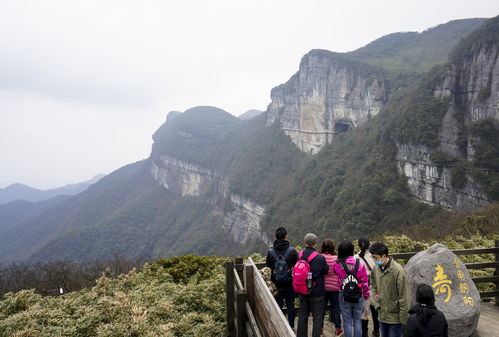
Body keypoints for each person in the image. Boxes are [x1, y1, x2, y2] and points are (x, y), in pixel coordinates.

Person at [369, 242, 411, 337]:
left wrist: (404, 320)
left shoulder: (398, 271)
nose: (374, 260)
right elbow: (373, 286)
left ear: (384, 256)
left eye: (376, 257)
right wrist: (376, 301)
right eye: (373, 257)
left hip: (395, 318)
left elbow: (404, 296)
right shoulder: (376, 268)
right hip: (381, 314)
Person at [333, 240, 370, 337]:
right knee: (357, 321)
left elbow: (336, 273)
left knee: (347, 322)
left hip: (344, 295)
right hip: (359, 294)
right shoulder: (360, 263)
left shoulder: (337, 265)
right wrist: (366, 296)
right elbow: (365, 281)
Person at [297, 233, 329, 337]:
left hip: (302, 290)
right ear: (315, 244)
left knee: (302, 316)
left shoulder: (299, 255)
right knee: (317, 317)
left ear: (304, 242)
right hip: (317, 292)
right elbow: (325, 271)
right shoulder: (320, 258)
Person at [266, 227, 299, 328]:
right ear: (286, 237)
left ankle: (279, 327)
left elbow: (268, 268)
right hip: (289, 284)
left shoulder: (270, 252)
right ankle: (291, 326)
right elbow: (297, 267)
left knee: (278, 306)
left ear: (275, 237)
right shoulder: (292, 251)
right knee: (290, 306)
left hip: (276, 284)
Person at [354, 238, 379, 337]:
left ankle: (364, 332)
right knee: (375, 309)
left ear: (359, 245)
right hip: (374, 286)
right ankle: (376, 330)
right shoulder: (375, 257)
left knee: (364, 311)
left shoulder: (355, 258)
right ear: (369, 245)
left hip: (362, 287)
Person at [321, 239, 343, 336]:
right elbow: (340, 272)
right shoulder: (337, 258)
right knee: (336, 308)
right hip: (335, 287)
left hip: (323, 286)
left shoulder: (320, 257)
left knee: (322, 308)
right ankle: (338, 329)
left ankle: (320, 329)